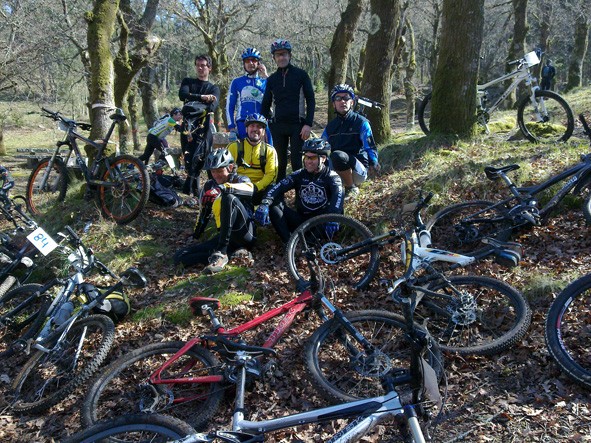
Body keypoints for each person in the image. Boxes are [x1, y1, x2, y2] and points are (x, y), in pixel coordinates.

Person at [173, 148, 255, 274]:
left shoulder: (241, 180)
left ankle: (222, 253)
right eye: (213, 171)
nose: (216, 175)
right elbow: (204, 213)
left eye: (220, 171)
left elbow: (250, 190)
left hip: (245, 233)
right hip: (224, 236)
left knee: (228, 197)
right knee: (180, 256)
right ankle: (230, 253)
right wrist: (196, 234)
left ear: (230, 167)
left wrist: (221, 189)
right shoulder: (209, 185)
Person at [254, 138, 343, 243]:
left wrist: (333, 217)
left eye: (312, 158)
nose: (308, 161)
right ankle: (288, 244)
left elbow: (339, 197)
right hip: (302, 221)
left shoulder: (332, 177)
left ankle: (307, 244)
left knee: (334, 214)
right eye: (306, 157)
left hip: (321, 223)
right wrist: (265, 202)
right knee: (274, 204)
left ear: (323, 158)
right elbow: (277, 187)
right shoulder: (299, 174)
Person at [261, 39, 315, 181]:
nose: (281, 57)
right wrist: (262, 127)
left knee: (297, 162)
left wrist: (308, 124)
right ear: (274, 58)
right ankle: (279, 200)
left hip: (298, 125)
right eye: (278, 55)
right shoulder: (272, 79)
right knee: (279, 164)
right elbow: (265, 104)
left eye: (284, 54)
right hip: (278, 126)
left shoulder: (301, 75)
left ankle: (300, 197)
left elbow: (310, 100)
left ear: (290, 55)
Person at [322, 84, 380, 200]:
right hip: (337, 168)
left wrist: (374, 161)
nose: (342, 101)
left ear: (352, 102)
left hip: (358, 170)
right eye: (338, 98)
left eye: (346, 98)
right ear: (333, 104)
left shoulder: (361, 122)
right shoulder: (330, 127)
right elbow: (322, 147)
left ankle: (351, 187)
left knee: (338, 155)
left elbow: (370, 146)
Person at [178, 54, 221, 196]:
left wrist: (194, 102)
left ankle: (206, 190)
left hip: (204, 128)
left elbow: (212, 106)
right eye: (198, 65)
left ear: (209, 68)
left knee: (202, 157)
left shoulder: (214, 88)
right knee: (189, 158)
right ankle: (190, 190)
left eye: (203, 65)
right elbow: (182, 94)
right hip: (187, 128)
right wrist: (201, 98)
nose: (200, 68)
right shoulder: (188, 81)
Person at [227, 113, 278, 205]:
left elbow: (271, 175)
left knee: (277, 212)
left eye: (259, 127)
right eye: (252, 126)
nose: (255, 129)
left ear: (263, 131)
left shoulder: (269, 151)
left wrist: (255, 187)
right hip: (238, 189)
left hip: (260, 190)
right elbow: (225, 170)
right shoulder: (234, 147)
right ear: (246, 129)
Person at [225, 48, 273, 145]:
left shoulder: (265, 82)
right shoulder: (237, 82)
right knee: (244, 151)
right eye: (247, 60)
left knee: (270, 147)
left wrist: (266, 75)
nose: (251, 63)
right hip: (243, 121)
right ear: (243, 63)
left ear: (258, 63)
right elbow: (230, 106)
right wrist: (231, 127)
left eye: (254, 60)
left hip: (262, 122)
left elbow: (277, 96)